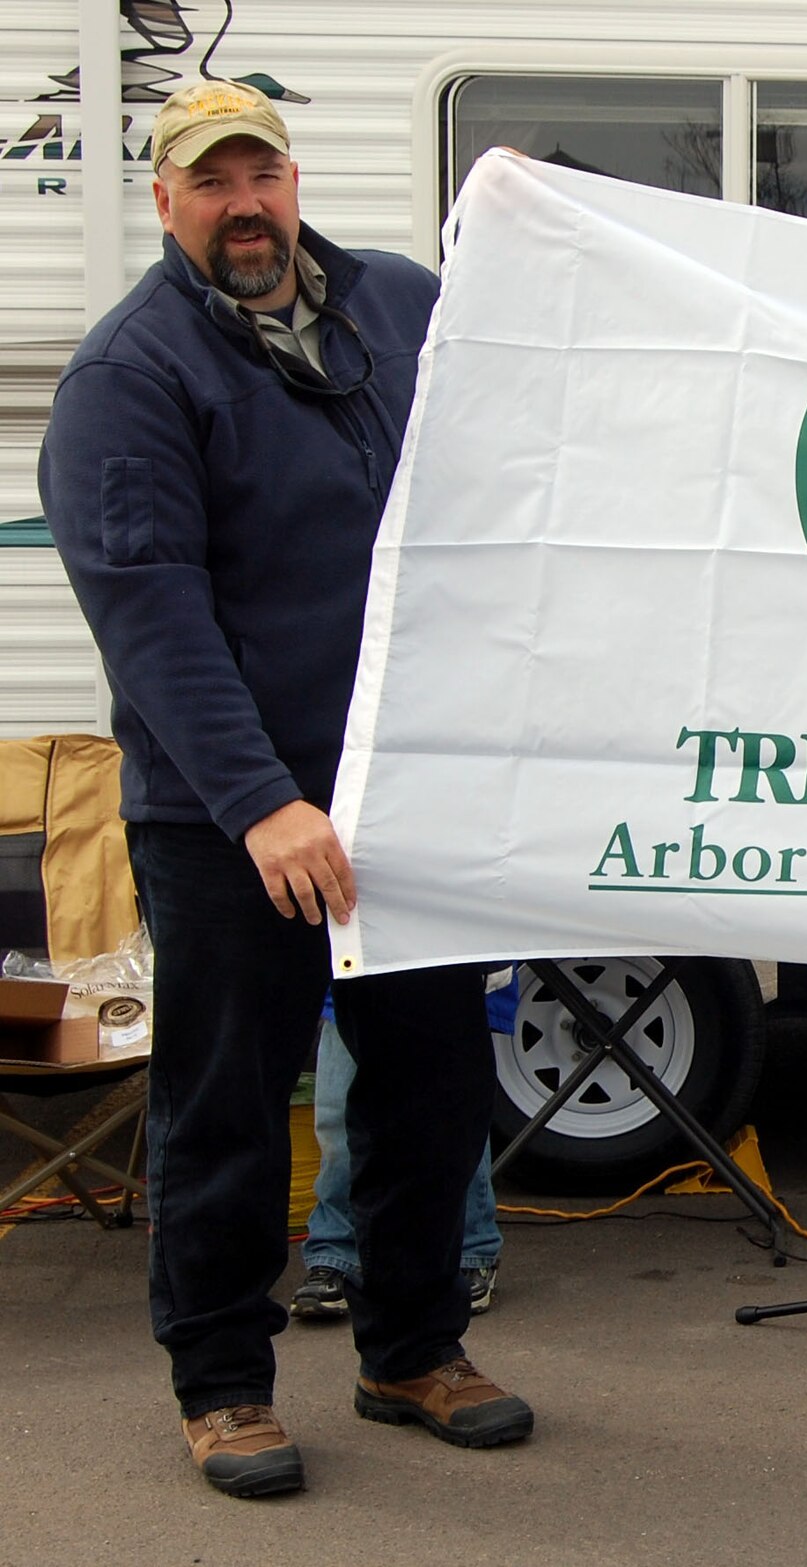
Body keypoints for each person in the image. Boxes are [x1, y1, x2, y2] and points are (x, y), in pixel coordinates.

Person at [38, 79, 532, 1499]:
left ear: (295, 178)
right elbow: (152, 615)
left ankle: (413, 1347)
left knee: (433, 1083)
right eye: (212, 182)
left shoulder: (399, 304)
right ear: (166, 201)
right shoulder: (131, 375)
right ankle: (223, 1382)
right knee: (230, 1105)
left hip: (404, 794)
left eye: (263, 173)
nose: (244, 204)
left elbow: (519, 440)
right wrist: (263, 800)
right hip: (232, 818)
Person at [292, 1008, 504, 1321]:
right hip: (351, 972)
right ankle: (334, 1255)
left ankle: (471, 1251)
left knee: (455, 1113)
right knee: (339, 1121)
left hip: (448, 973)